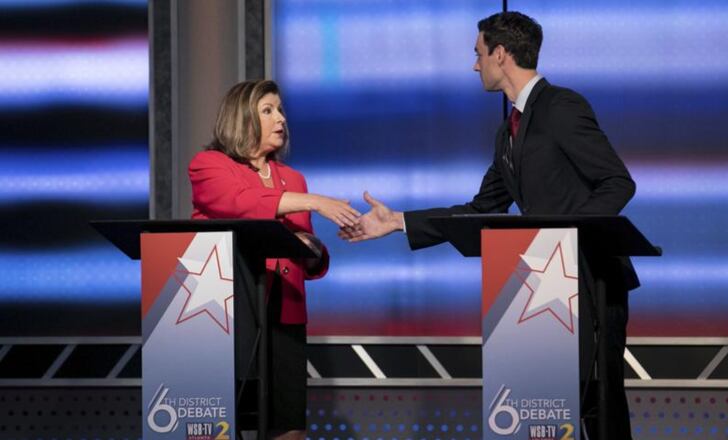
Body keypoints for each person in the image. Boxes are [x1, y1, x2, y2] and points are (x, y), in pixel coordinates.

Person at [339, 11, 637, 440]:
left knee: (597, 406)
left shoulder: (562, 106)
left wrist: (567, 243)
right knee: (545, 411)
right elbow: (480, 209)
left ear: (501, 54)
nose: (474, 64)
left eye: (478, 54)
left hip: (589, 282)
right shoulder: (507, 133)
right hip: (541, 291)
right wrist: (399, 222)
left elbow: (617, 182)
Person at [189, 79, 360, 440]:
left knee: (288, 427)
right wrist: (315, 201)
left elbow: (305, 246)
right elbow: (237, 204)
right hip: (228, 315)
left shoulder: (293, 179)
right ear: (242, 118)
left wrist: (313, 253)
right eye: (268, 110)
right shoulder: (209, 165)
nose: (280, 118)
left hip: (285, 314)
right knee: (222, 423)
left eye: (280, 109)